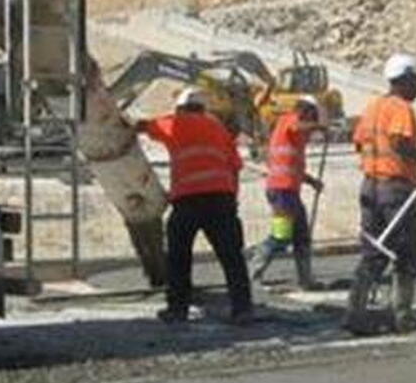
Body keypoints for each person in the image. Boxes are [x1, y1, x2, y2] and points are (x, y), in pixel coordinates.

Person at [138, 88, 254, 325]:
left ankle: (177, 309)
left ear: (180, 108)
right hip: (221, 199)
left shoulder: (174, 123)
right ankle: (242, 309)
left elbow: (144, 127)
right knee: (232, 257)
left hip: (188, 200)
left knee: (178, 257)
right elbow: (235, 166)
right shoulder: (218, 128)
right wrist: (232, 200)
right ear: (203, 108)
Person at [349, 53, 416, 331]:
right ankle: (402, 314)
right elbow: (400, 143)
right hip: (396, 189)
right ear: (405, 80)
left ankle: (355, 313)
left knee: (373, 251)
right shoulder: (401, 108)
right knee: (407, 251)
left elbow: (359, 142)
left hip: (370, 187)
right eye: (415, 81)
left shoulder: (373, 106)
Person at [249, 95, 324, 289]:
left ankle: (306, 279)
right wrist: (320, 127)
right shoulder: (288, 120)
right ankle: (255, 267)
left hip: (290, 191)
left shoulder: (297, 139)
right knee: (281, 236)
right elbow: (299, 126)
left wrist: (311, 181)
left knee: (302, 237)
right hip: (280, 191)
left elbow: (293, 166)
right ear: (306, 112)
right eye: (312, 117)